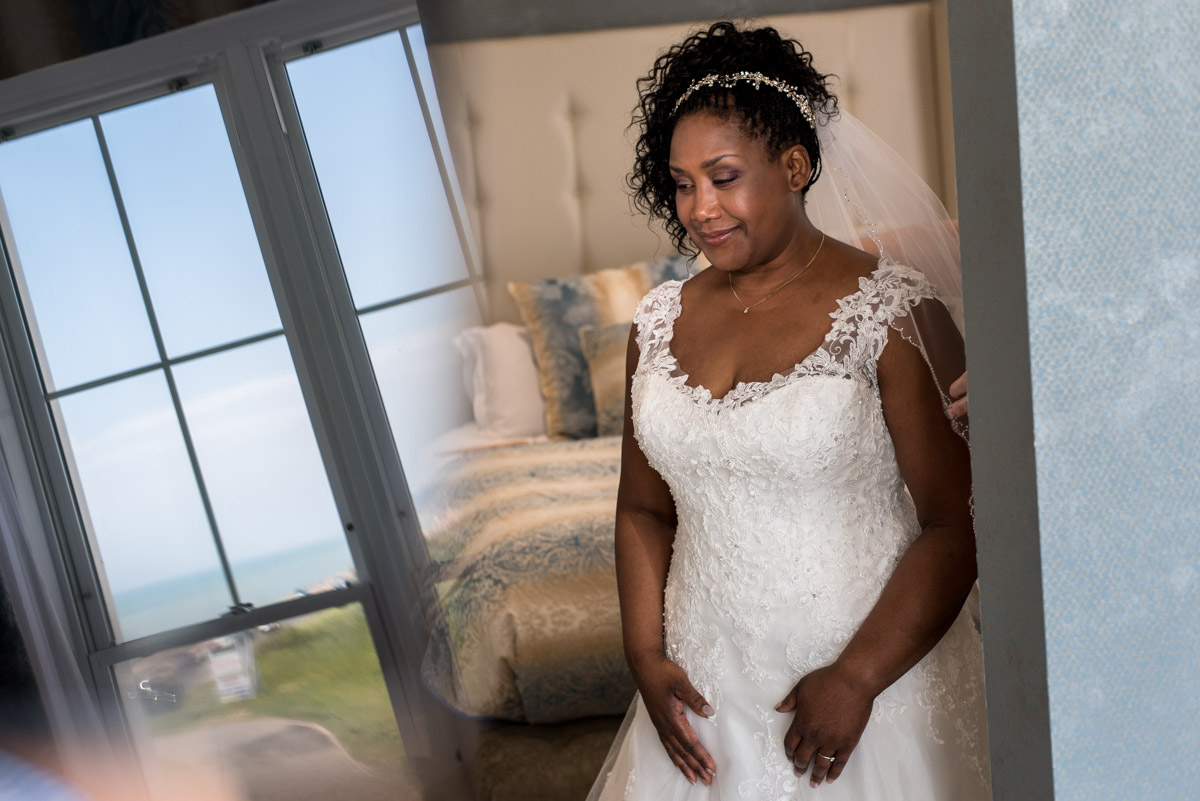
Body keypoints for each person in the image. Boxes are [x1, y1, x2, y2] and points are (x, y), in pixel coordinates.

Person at [587, 22, 988, 800]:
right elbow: (642, 508)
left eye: (724, 176)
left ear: (795, 165)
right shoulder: (657, 322)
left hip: (868, 688)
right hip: (707, 699)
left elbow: (957, 521)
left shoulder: (892, 312)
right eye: (681, 183)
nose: (700, 208)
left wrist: (859, 676)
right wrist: (643, 651)